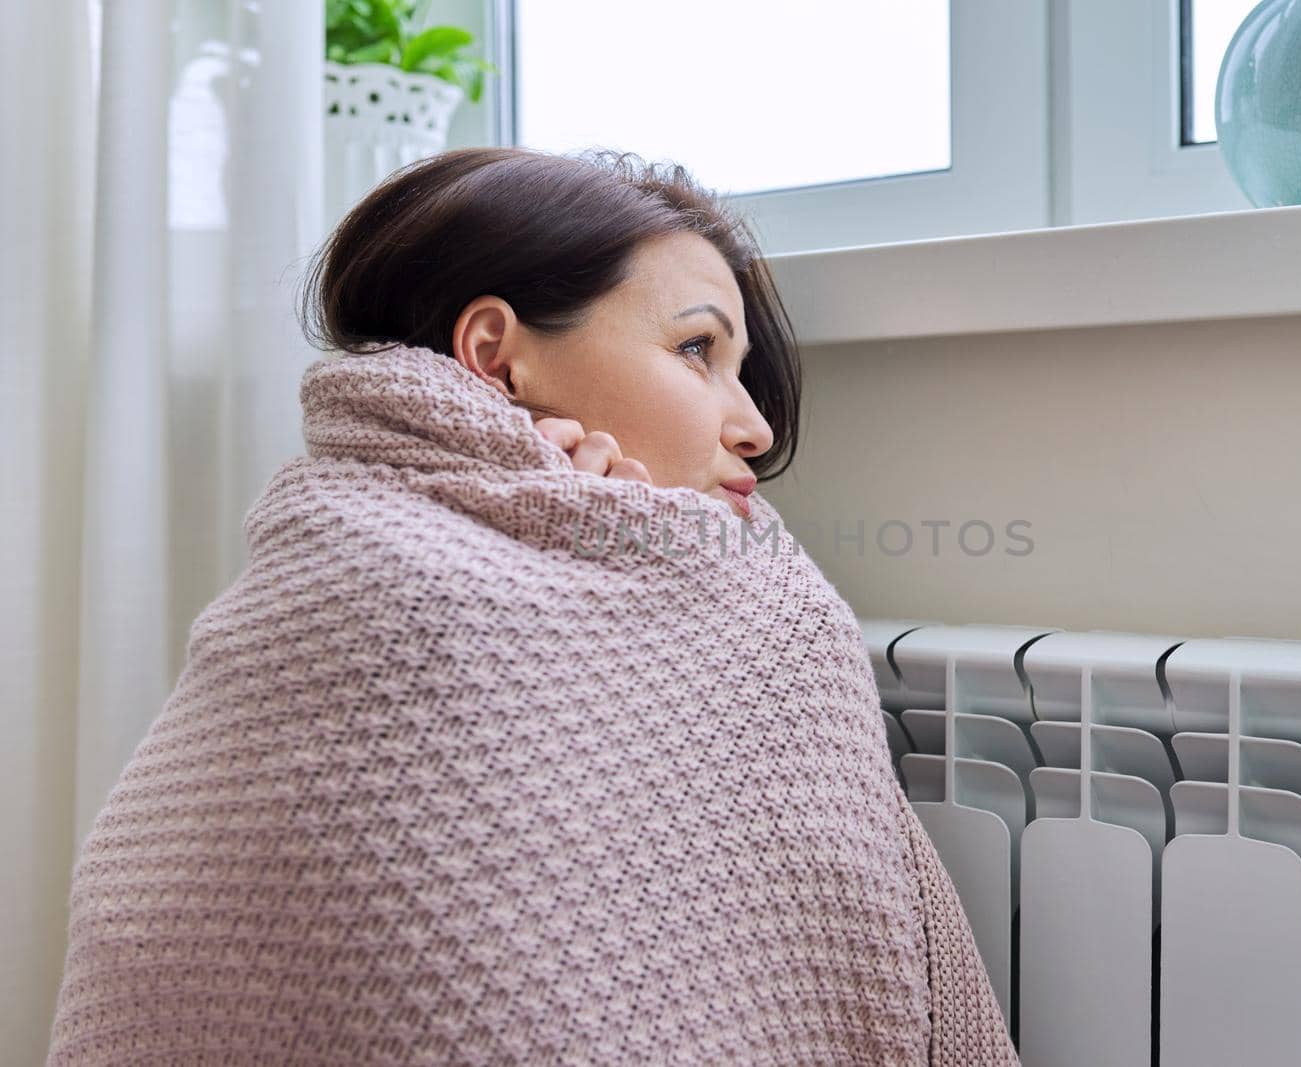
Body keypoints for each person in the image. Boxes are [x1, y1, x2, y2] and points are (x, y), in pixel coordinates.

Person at [45, 146, 1017, 1066]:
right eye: (696, 349)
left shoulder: (729, 589)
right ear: (496, 353)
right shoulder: (356, 575)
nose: (755, 424)